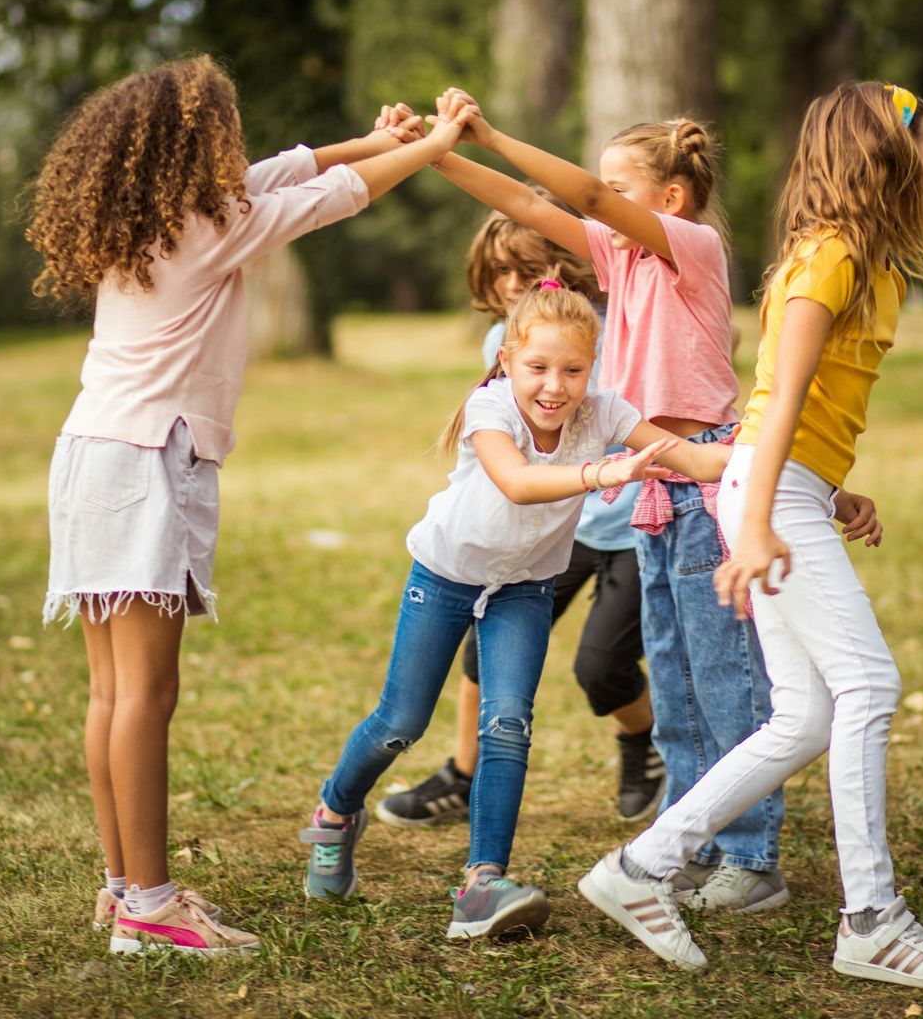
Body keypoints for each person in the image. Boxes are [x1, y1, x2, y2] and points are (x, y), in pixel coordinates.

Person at [25, 54, 472, 955]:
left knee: (112, 691)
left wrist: (377, 139)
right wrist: (435, 147)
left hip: (91, 455)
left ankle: (124, 890)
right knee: (146, 694)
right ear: (196, 145)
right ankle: (151, 906)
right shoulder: (207, 228)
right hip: (145, 461)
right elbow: (334, 197)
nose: (237, 149)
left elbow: (296, 168)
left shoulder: (155, 224)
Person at [577, 80, 923, 988]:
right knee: (868, 685)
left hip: (786, 488)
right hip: (767, 491)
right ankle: (872, 920)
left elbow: (804, 414)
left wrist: (828, 491)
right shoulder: (829, 255)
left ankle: (641, 868)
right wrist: (759, 520)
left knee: (805, 716)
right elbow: (781, 398)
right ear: (886, 158)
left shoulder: (863, 261)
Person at [423, 89, 788, 912]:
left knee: (725, 679)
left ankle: (752, 857)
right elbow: (526, 206)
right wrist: (439, 152)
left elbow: (580, 194)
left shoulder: (692, 248)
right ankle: (690, 839)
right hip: (654, 487)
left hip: (702, 486)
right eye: (606, 191)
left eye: (620, 189)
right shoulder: (620, 259)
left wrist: (492, 133)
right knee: (678, 686)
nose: (599, 201)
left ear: (670, 199)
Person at [300, 281, 731, 939]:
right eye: (537, 368)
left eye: (573, 370)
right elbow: (519, 483)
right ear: (506, 361)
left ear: (593, 367)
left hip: (526, 587)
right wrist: (602, 475)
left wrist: (814, 476)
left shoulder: (606, 414)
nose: (555, 387)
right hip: (445, 576)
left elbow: (698, 458)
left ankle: (483, 883)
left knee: (507, 726)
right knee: (400, 722)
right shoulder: (489, 407)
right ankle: (334, 815)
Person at [376, 210, 663, 828]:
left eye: (526, 269)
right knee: (482, 653)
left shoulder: (611, 331)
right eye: (499, 270)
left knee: (602, 668)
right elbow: (510, 461)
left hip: (631, 527)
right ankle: (463, 774)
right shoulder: (502, 350)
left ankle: (643, 742)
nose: (511, 283)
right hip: (561, 525)